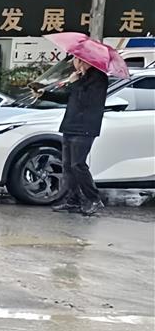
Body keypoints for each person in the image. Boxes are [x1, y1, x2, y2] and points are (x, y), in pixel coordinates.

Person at [53, 56, 109, 216]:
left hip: (85, 128)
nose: (73, 62)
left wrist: (74, 82)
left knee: (78, 165)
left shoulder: (99, 78)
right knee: (68, 166)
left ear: (85, 60)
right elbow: (67, 97)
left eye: (76, 59)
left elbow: (86, 100)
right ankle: (73, 199)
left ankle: (94, 199)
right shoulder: (80, 77)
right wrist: (43, 94)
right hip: (70, 125)